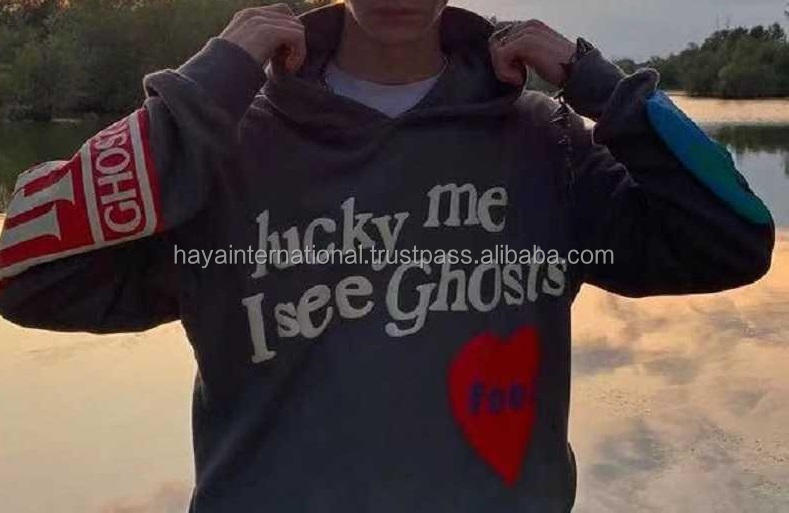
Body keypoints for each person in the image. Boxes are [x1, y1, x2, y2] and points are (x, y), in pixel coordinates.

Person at [0, 1, 775, 512]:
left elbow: (733, 234)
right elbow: (21, 265)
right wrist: (208, 87)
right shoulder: (227, 146)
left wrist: (597, 84)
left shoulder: (544, 143)